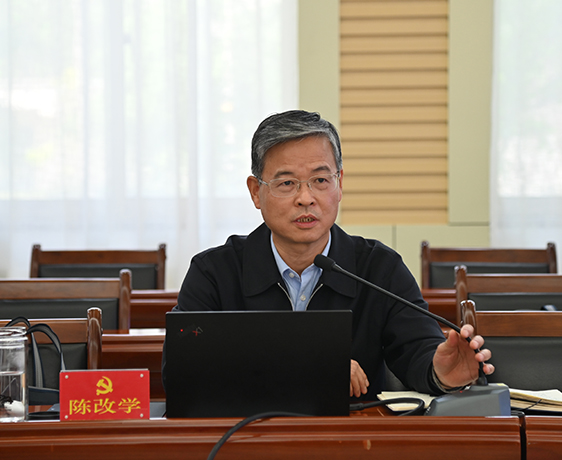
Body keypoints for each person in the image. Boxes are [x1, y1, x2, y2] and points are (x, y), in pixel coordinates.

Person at [171, 110, 493, 400]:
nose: (305, 198)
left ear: (339, 184)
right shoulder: (214, 272)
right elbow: (184, 370)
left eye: (320, 180)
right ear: (256, 192)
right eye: (287, 183)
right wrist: (311, 366)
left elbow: (417, 350)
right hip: (248, 436)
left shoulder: (379, 268)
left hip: (353, 436)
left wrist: (440, 374)